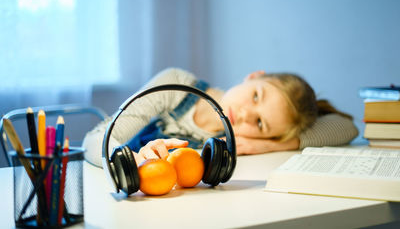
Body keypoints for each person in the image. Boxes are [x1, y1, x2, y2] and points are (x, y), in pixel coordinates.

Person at [83, 67, 358, 167]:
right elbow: (95, 140)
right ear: (254, 76)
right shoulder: (176, 87)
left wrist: (276, 145)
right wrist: (131, 159)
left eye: (261, 124)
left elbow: (347, 127)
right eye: (256, 96)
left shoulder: (229, 143)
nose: (247, 115)